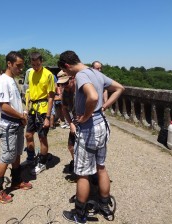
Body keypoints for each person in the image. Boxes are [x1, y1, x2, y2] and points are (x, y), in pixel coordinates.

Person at [58, 51, 124, 223]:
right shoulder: (97, 73)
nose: (68, 75)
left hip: (89, 128)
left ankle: (79, 214)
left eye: (66, 72)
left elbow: (93, 97)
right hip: (102, 125)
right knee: (101, 167)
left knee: (83, 173)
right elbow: (120, 88)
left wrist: (87, 115)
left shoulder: (81, 75)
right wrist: (105, 107)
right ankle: (105, 207)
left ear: (67, 65)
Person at [0, 51, 32, 204]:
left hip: (17, 124)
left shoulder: (12, 79)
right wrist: (21, 116)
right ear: (9, 64)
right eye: (18, 66)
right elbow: (4, 106)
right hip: (9, 126)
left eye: (22, 66)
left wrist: (23, 112)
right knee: (6, 157)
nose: (21, 69)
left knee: (16, 154)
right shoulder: (3, 81)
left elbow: (14, 102)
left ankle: (16, 180)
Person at [23, 52, 55, 175]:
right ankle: (31, 158)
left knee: (42, 137)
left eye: (38, 64)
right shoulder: (30, 73)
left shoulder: (48, 75)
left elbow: (51, 97)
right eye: (33, 64)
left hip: (43, 109)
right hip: (32, 108)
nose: (36, 66)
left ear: (42, 62)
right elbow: (29, 93)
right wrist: (26, 109)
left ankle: (42, 163)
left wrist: (48, 117)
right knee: (28, 135)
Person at [58, 71, 76, 173]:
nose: (64, 86)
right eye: (62, 84)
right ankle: (76, 163)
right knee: (71, 147)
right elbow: (64, 109)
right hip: (75, 122)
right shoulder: (65, 92)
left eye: (66, 83)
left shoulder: (81, 89)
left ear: (72, 78)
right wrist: (71, 123)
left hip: (86, 122)